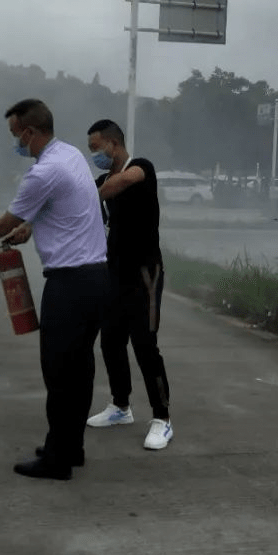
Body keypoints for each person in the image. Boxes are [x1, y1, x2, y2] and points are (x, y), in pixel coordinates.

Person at [0, 99, 108, 481]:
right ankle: (71, 447)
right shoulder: (70, 156)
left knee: (58, 372)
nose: (16, 144)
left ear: (30, 132)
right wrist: (33, 227)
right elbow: (66, 208)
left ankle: (57, 460)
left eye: (16, 136)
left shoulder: (43, 172)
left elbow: (9, 218)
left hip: (69, 284)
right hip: (96, 279)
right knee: (80, 369)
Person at [84, 119, 173, 450]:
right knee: (110, 341)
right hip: (115, 274)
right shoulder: (101, 180)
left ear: (113, 144)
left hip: (146, 273)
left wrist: (93, 193)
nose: (93, 154)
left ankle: (162, 418)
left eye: (96, 148)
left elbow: (119, 184)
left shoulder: (140, 168)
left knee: (145, 345)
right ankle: (120, 407)